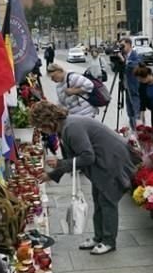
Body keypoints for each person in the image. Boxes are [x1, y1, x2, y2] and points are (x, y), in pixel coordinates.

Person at [30, 101, 137, 255]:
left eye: (42, 127)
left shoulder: (71, 128)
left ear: (48, 121)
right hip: (103, 163)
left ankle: (108, 241)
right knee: (99, 200)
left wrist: (59, 164)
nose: (43, 131)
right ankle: (99, 237)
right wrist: (52, 175)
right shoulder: (65, 127)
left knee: (107, 202)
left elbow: (87, 157)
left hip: (111, 162)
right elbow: (72, 158)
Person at [119, 37, 142, 130]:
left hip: (134, 87)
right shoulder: (123, 55)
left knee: (136, 110)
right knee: (129, 111)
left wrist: (124, 61)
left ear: (129, 44)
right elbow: (115, 69)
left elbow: (136, 65)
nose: (122, 48)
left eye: (123, 45)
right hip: (125, 86)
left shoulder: (135, 54)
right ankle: (133, 129)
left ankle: (139, 129)